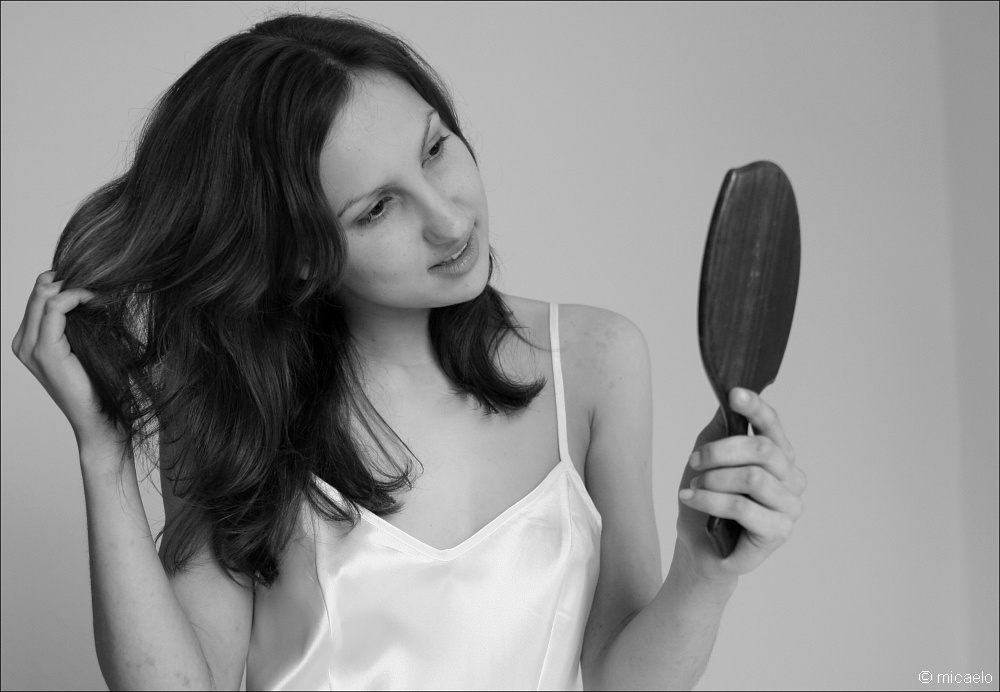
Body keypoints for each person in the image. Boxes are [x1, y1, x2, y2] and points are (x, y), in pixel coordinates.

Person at [11, 13, 806, 691]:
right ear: (300, 255)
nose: (449, 220)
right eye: (377, 208)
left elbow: (618, 679)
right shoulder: (238, 409)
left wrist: (706, 571)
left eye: (434, 149)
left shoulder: (596, 361)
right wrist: (104, 455)